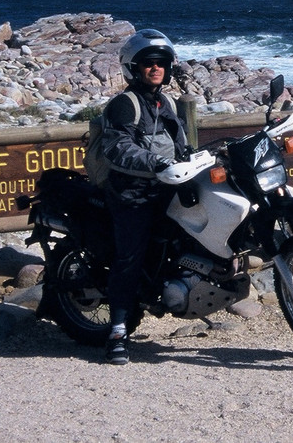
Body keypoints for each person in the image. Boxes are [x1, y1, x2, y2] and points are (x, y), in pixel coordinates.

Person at [100, 28, 190, 365]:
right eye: (148, 63)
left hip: (167, 186)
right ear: (133, 68)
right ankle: (117, 332)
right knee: (130, 257)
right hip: (133, 193)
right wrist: (156, 163)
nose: (156, 68)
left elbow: (181, 145)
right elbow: (118, 147)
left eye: (161, 63)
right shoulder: (125, 104)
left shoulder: (167, 102)